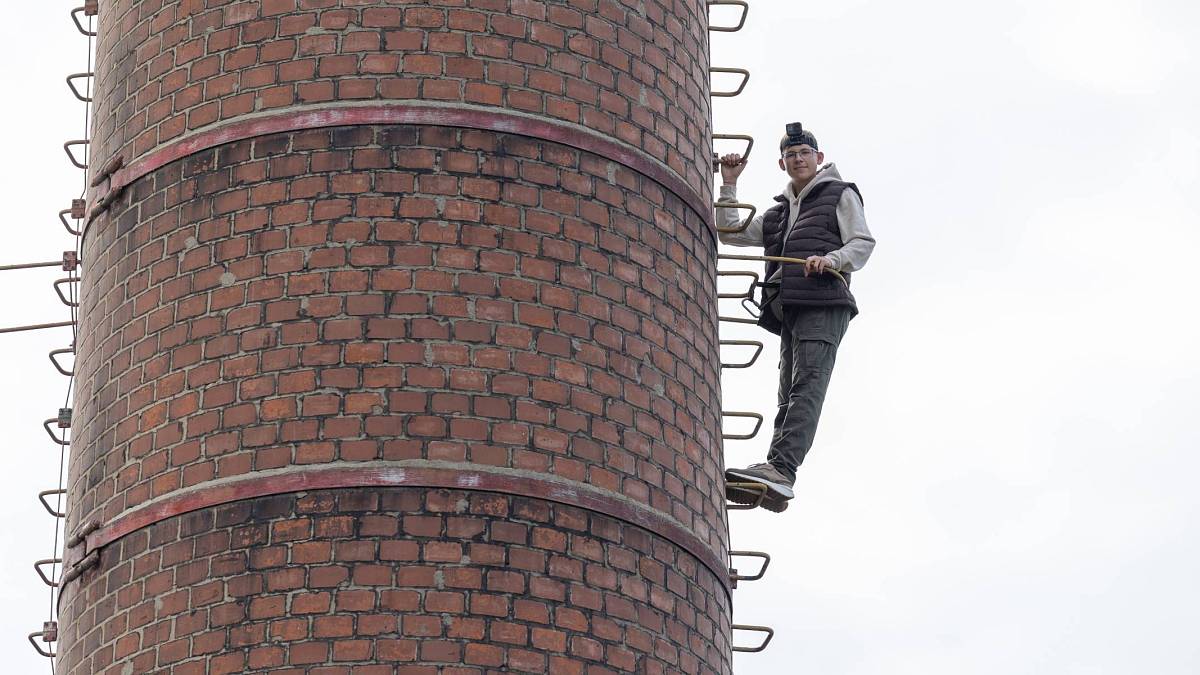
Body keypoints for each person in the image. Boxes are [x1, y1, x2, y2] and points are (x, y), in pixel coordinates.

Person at [716, 122, 876, 512]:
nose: (798, 159)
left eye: (804, 153)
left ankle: (783, 469)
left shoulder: (839, 194)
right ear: (782, 163)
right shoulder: (777, 214)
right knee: (787, 392)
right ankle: (774, 475)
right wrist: (730, 183)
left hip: (823, 301)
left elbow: (862, 242)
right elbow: (729, 232)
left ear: (819, 159)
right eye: (791, 155)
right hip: (790, 306)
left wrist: (832, 259)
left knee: (807, 385)